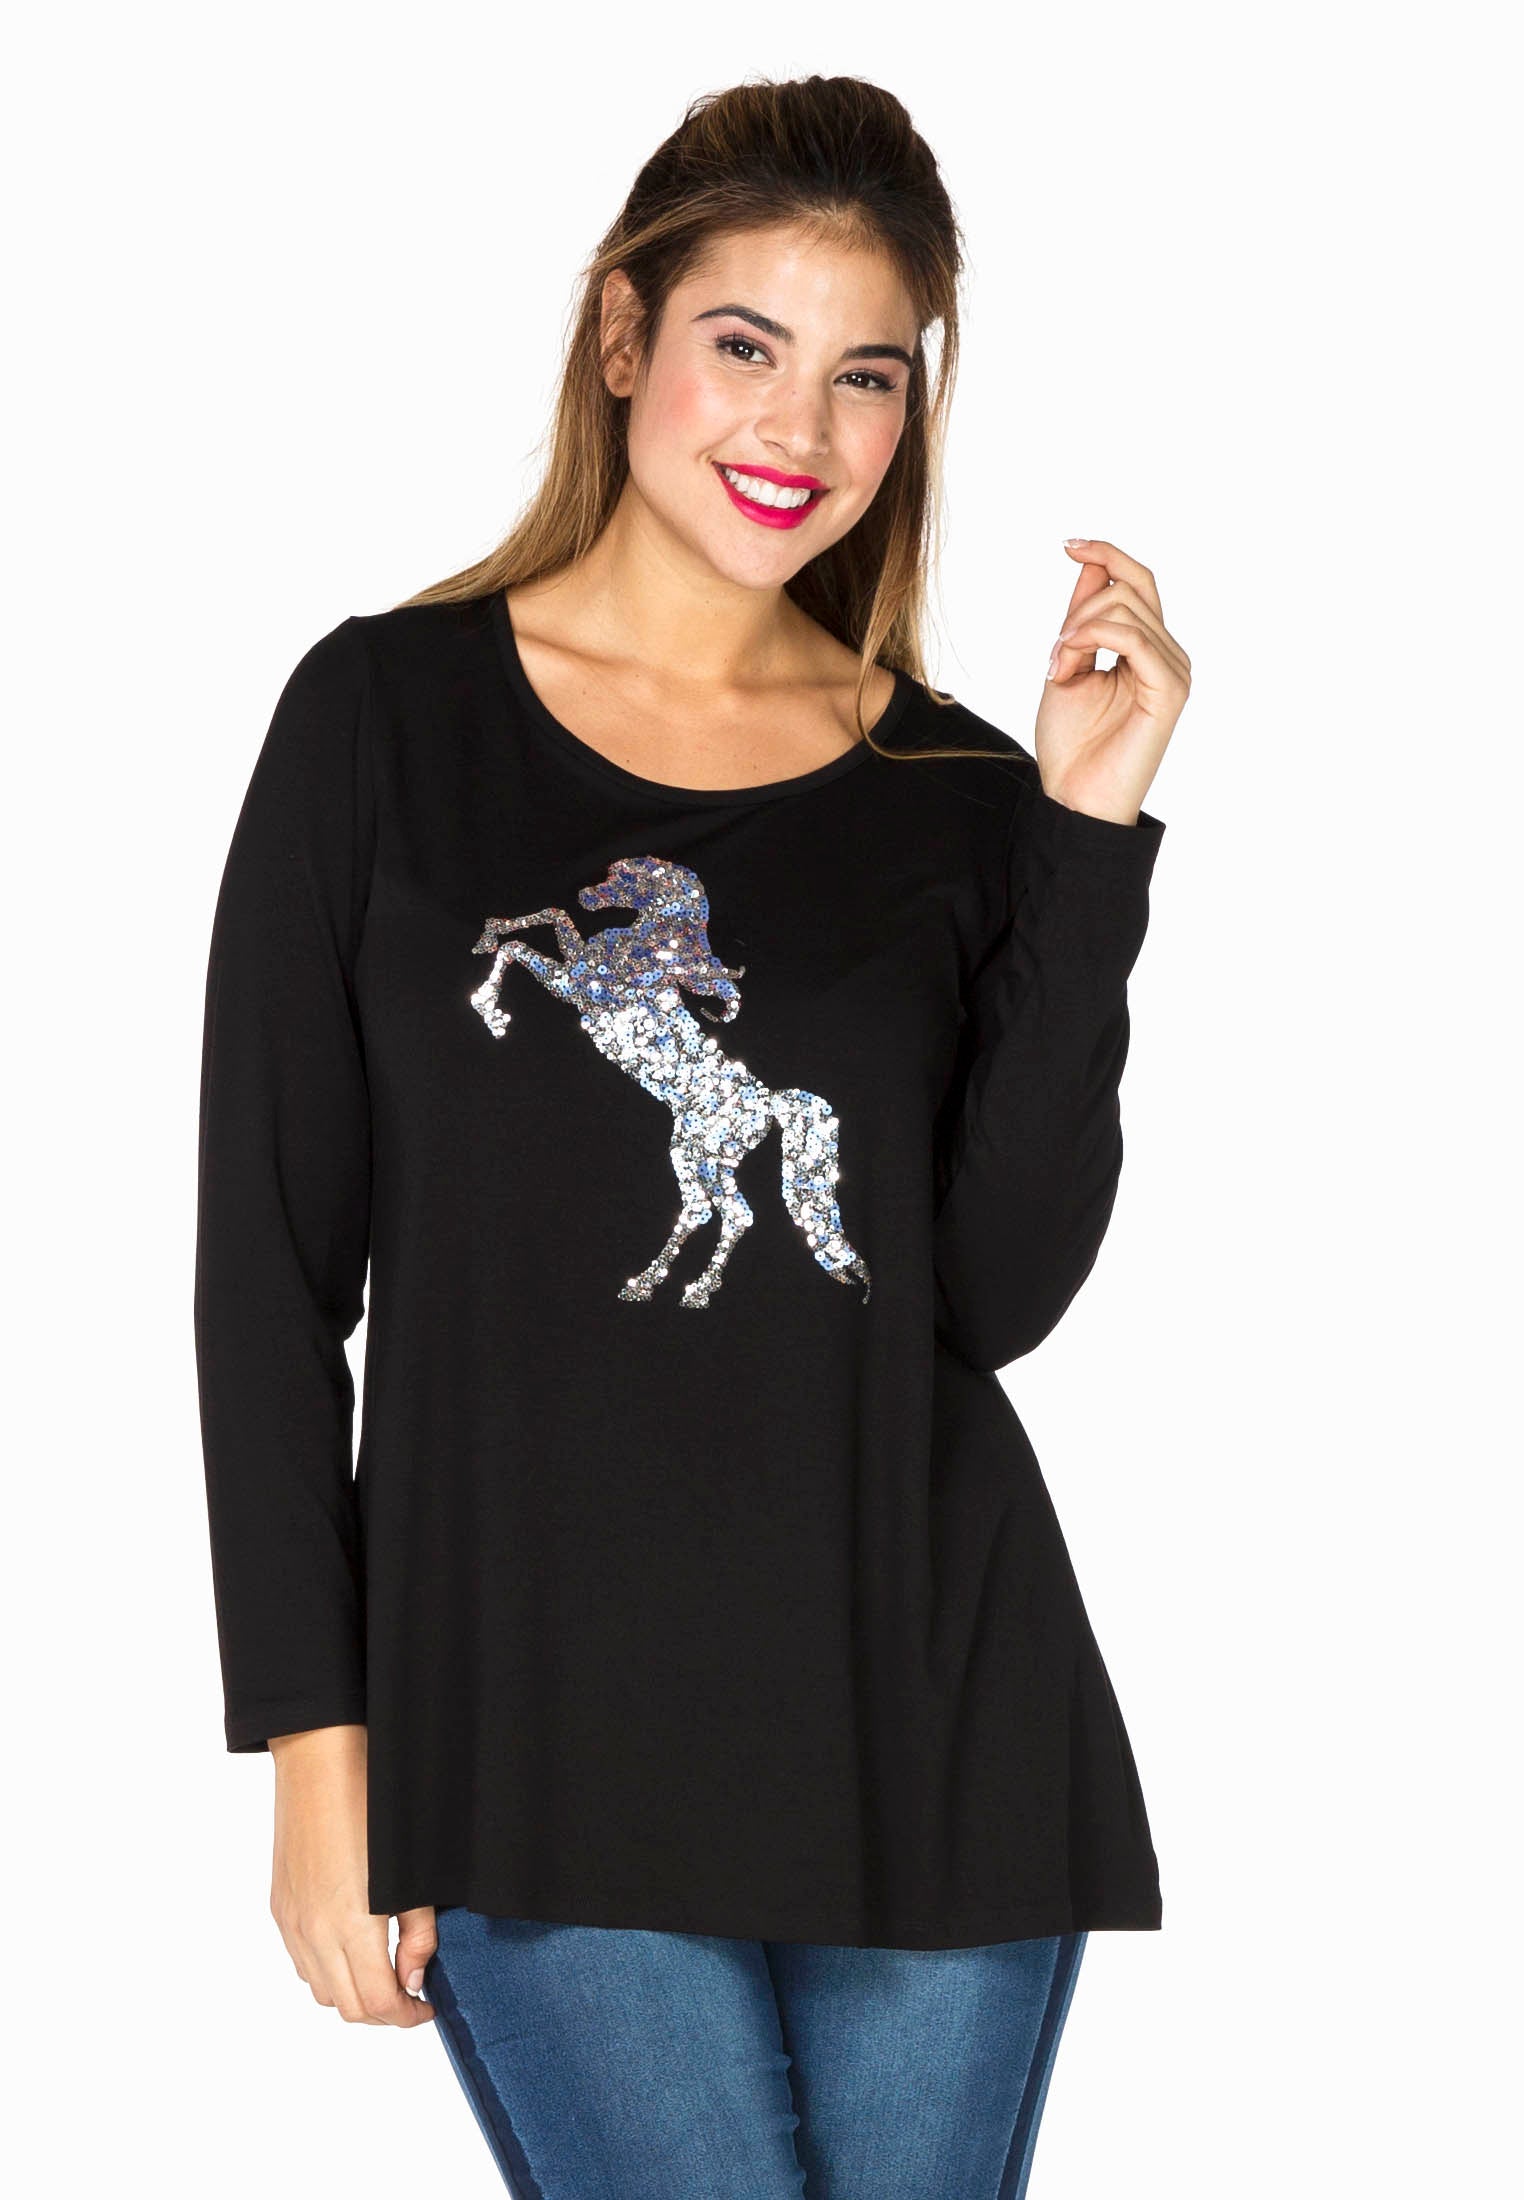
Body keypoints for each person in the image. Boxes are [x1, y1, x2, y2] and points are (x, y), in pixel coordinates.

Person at [193, 70, 1190, 2200]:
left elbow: (991, 1290)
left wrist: (1085, 840)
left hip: (927, 1714)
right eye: (747, 344)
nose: (799, 429)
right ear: (625, 333)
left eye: (867, 376)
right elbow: (268, 1278)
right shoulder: (381, 722)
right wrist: (313, 1748)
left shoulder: (954, 793)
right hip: (528, 1729)